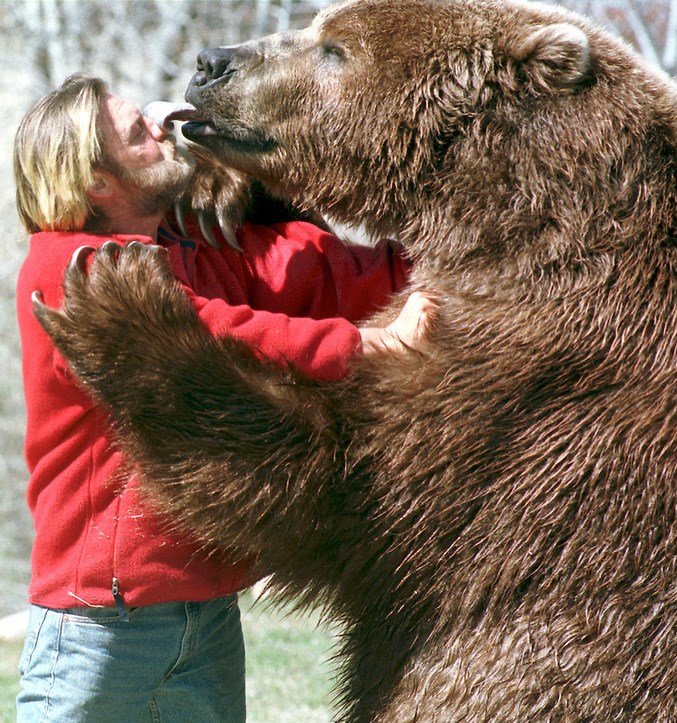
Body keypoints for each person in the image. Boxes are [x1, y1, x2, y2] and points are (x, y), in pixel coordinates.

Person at [13, 73, 429, 722]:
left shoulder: (187, 250)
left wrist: (448, 257)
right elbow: (208, 330)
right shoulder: (69, 268)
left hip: (205, 609)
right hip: (99, 619)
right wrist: (372, 345)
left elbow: (315, 272)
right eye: (135, 132)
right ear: (99, 184)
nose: (158, 124)